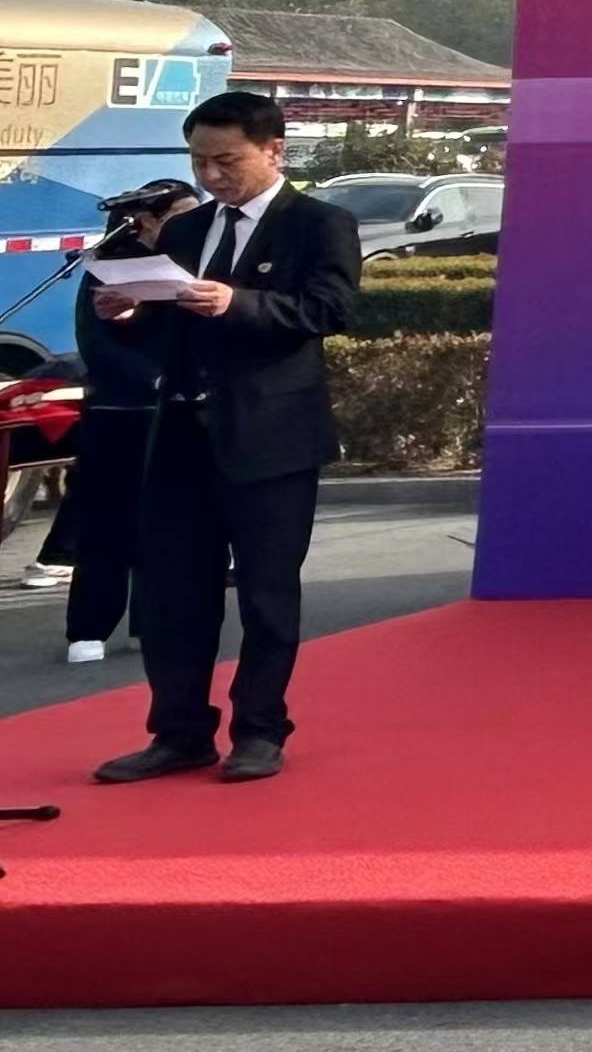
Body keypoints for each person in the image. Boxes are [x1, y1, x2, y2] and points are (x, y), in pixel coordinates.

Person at [86, 91, 361, 784]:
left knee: (267, 594)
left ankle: (260, 731)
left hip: (271, 436)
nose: (211, 176)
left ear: (274, 150)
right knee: (171, 593)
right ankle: (179, 732)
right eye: (199, 161)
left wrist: (239, 302)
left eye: (227, 161)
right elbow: (165, 331)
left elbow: (329, 309)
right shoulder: (186, 229)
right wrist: (129, 313)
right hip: (181, 433)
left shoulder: (320, 223)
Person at [28, 178, 200, 663]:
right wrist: (154, 378)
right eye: (182, 215)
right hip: (119, 410)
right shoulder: (109, 266)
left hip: (181, 409)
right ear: (145, 220)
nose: (193, 224)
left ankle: (151, 621)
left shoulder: (195, 263)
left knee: (168, 523)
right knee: (106, 522)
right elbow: (97, 344)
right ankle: (89, 627)